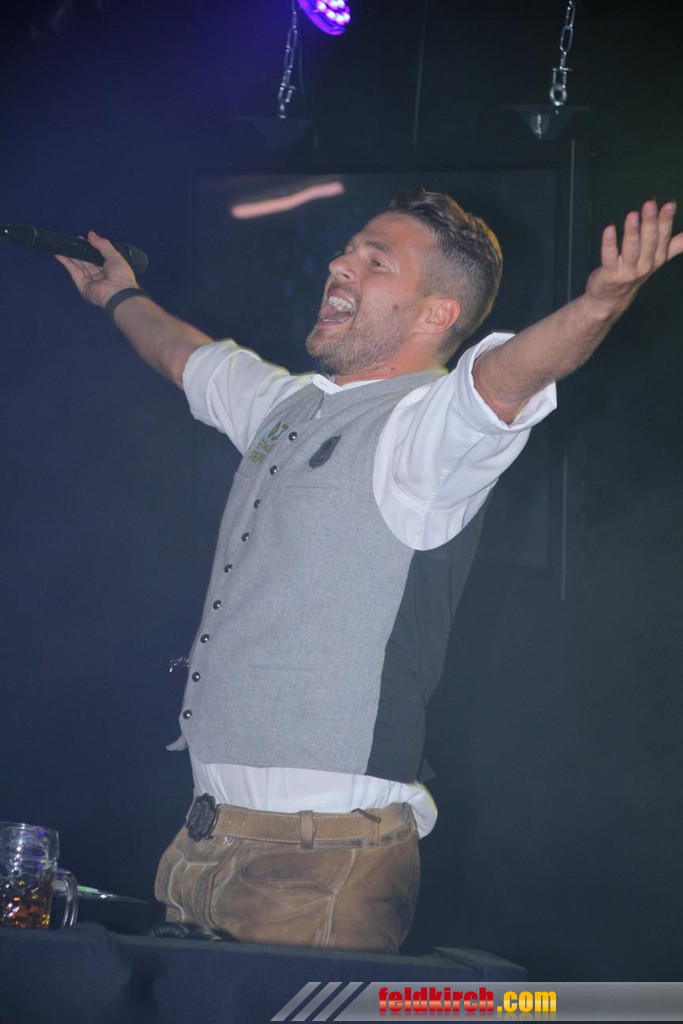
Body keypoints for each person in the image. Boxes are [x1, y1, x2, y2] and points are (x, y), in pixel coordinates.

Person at [57, 191, 681, 954]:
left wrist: (598, 305)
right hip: (201, 841)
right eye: (346, 249)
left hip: (320, 860)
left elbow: (505, 377)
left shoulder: (428, 430)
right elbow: (183, 356)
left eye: (374, 261)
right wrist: (117, 294)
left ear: (435, 314)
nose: (339, 263)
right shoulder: (288, 406)